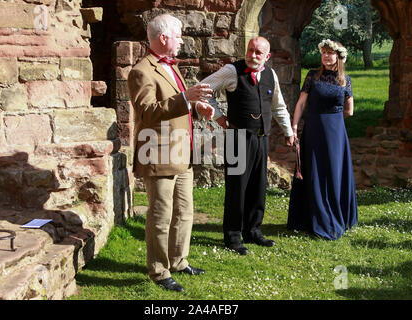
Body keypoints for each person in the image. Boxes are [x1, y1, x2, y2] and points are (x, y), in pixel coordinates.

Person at [127, 14, 215, 292]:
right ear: (163, 38)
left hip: (181, 154)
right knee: (161, 216)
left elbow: (174, 105)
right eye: (178, 36)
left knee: (185, 213)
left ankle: (179, 261)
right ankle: (159, 270)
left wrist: (196, 108)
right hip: (158, 154)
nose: (181, 41)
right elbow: (148, 112)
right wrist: (186, 98)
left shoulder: (170, 67)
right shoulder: (141, 70)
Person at [200, 36, 294, 255]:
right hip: (238, 137)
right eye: (250, 50)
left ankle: (253, 231)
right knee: (237, 189)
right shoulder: (232, 71)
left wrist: (288, 132)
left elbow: (279, 106)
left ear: (267, 56)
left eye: (258, 52)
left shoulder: (271, 74)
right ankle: (233, 237)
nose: (252, 55)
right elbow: (203, 89)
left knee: (258, 187)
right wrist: (219, 117)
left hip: (261, 137)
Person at [287, 39, 358, 240]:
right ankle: (311, 218)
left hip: (336, 134)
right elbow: (301, 104)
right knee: (314, 170)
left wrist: (332, 120)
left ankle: (336, 214)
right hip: (314, 130)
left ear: (339, 56)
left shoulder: (346, 80)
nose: (326, 56)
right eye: (324, 53)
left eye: (330, 53)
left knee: (334, 171)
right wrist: (294, 126)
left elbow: (350, 111)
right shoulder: (312, 76)